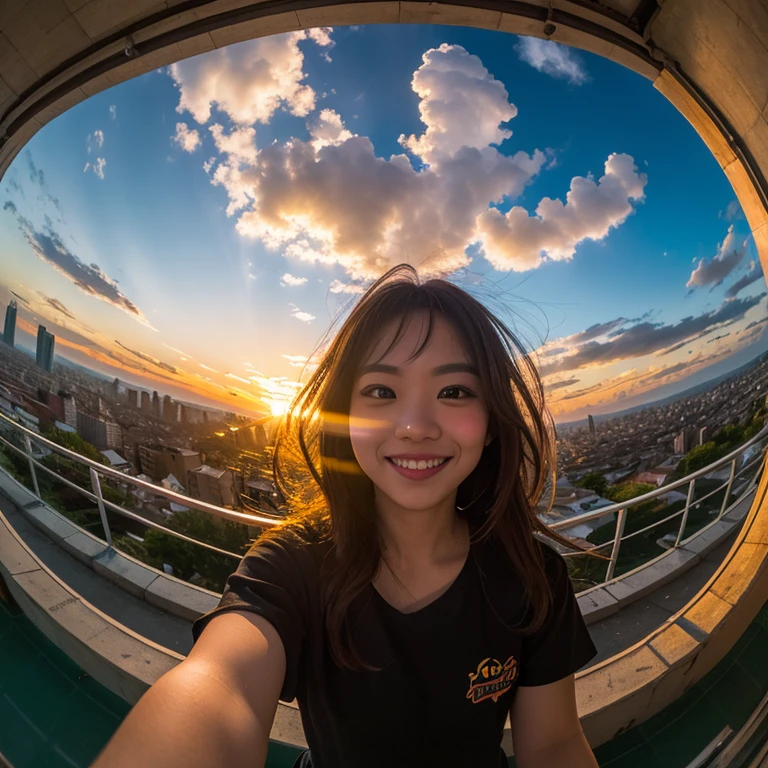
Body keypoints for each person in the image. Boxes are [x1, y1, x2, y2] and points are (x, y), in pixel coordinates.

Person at [92, 264, 605, 768]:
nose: (414, 427)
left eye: (454, 392)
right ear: (345, 418)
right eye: (381, 392)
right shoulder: (292, 566)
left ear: (492, 423)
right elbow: (218, 691)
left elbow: (554, 745)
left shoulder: (532, 576)